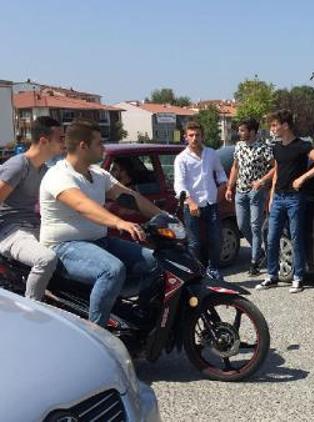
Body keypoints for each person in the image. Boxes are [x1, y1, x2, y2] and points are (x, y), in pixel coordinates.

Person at [39, 119, 162, 326]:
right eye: (99, 144)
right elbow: (82, 205)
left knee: (156, 261)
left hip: (99, 241)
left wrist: (163, 216)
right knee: (111, 270)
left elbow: (130, 197)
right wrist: (119, 222)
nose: (103, 148)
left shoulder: (97, 174)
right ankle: (97, 333)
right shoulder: (58, 175)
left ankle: (132, 317)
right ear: (83, 146)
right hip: (64, 247)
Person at [255, 110, 314, 293]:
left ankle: (298, 277)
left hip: (295, 198)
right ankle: (271, 275)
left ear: (285, 125)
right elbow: (278, 170)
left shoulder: (302, 146)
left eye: (274, 125)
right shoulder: (277, 147)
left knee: (296, 238)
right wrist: (271, 195)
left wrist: (303, 177)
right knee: (272, 238)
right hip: (278, 197)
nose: (272, 129)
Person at [0, 117, 65, 300]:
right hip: (11, 231)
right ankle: (33, 308)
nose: (64, 142)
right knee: (46, 259)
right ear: (44, 141)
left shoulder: (44, 170)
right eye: (60, 138)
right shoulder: (19, 165)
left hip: (33, 227)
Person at [174, 121, 228, 281]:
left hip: (211, 203)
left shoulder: (211, 153)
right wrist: (190, 202)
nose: (195, 138)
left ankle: (214, 270)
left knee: (216, 239)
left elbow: (220, 173)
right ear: (186, 137)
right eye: (191, 135)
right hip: (192, 206)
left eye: (197, 135)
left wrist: (223, 186)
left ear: (202, 136)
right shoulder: (181, 159)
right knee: (194, 243)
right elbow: (179, 184)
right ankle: (196, 273)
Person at [225, 118, 274, 276]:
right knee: (242, 225)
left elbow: (275, 167)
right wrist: (229, 188)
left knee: (255, 226)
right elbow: (235, 167)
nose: (239, 133)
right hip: (240, 191)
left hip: (256, 191)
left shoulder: (263, 148)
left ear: (252, 132)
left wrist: (263, 181)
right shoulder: (239, 146)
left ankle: (254, 262)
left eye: (242, 130)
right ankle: (259, 250)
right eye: (239, 130)